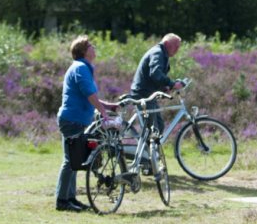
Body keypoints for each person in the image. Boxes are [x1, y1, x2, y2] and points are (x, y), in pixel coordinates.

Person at [55, 35, 117, 212]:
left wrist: (107, 105)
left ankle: (70, 198)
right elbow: (89, 94)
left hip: (75, 120)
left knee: (74, 160)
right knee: (70, 161)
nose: (93, 47)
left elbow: (90, 96)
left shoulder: (83, 68)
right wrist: (103, 111)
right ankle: (62, 201)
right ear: (83, 51)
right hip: (72, 120)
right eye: (90, 45)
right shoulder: (81, 68)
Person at [130, 33, 184, 135]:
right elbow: (155, 73)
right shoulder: (158, 53)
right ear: (167, 43)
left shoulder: (162, 53)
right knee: (153, 130)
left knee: (158, 126)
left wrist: (164, 87)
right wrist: (172, 84)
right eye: (176, 46)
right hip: (143, 95)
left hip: (148, 94)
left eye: (179, 47)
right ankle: (146, 150)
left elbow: (153, 77)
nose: (177, 49)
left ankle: (152, 150)